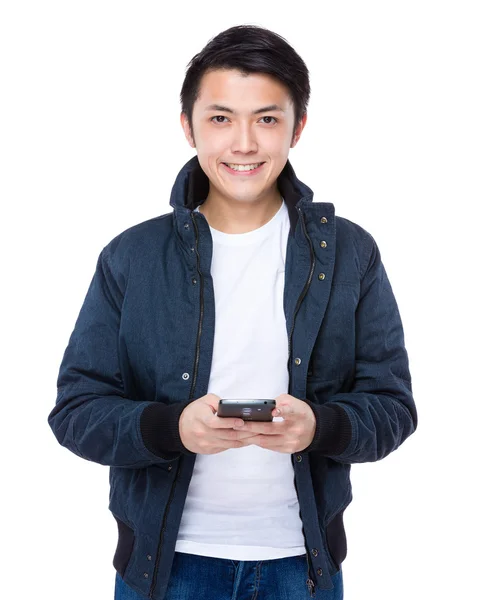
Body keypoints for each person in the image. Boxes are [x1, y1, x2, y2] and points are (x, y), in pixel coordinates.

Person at [47, 24, 418, 600]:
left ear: (297, 127)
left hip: (303, 566)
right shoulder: (131, 256)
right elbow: (75, 412)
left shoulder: (349, 253)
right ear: (187, 126)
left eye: (266, 119)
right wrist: (173, 427)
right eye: (220, 118)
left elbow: (392, 408)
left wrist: (319, 427)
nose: (243, 143)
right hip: (164, 570)